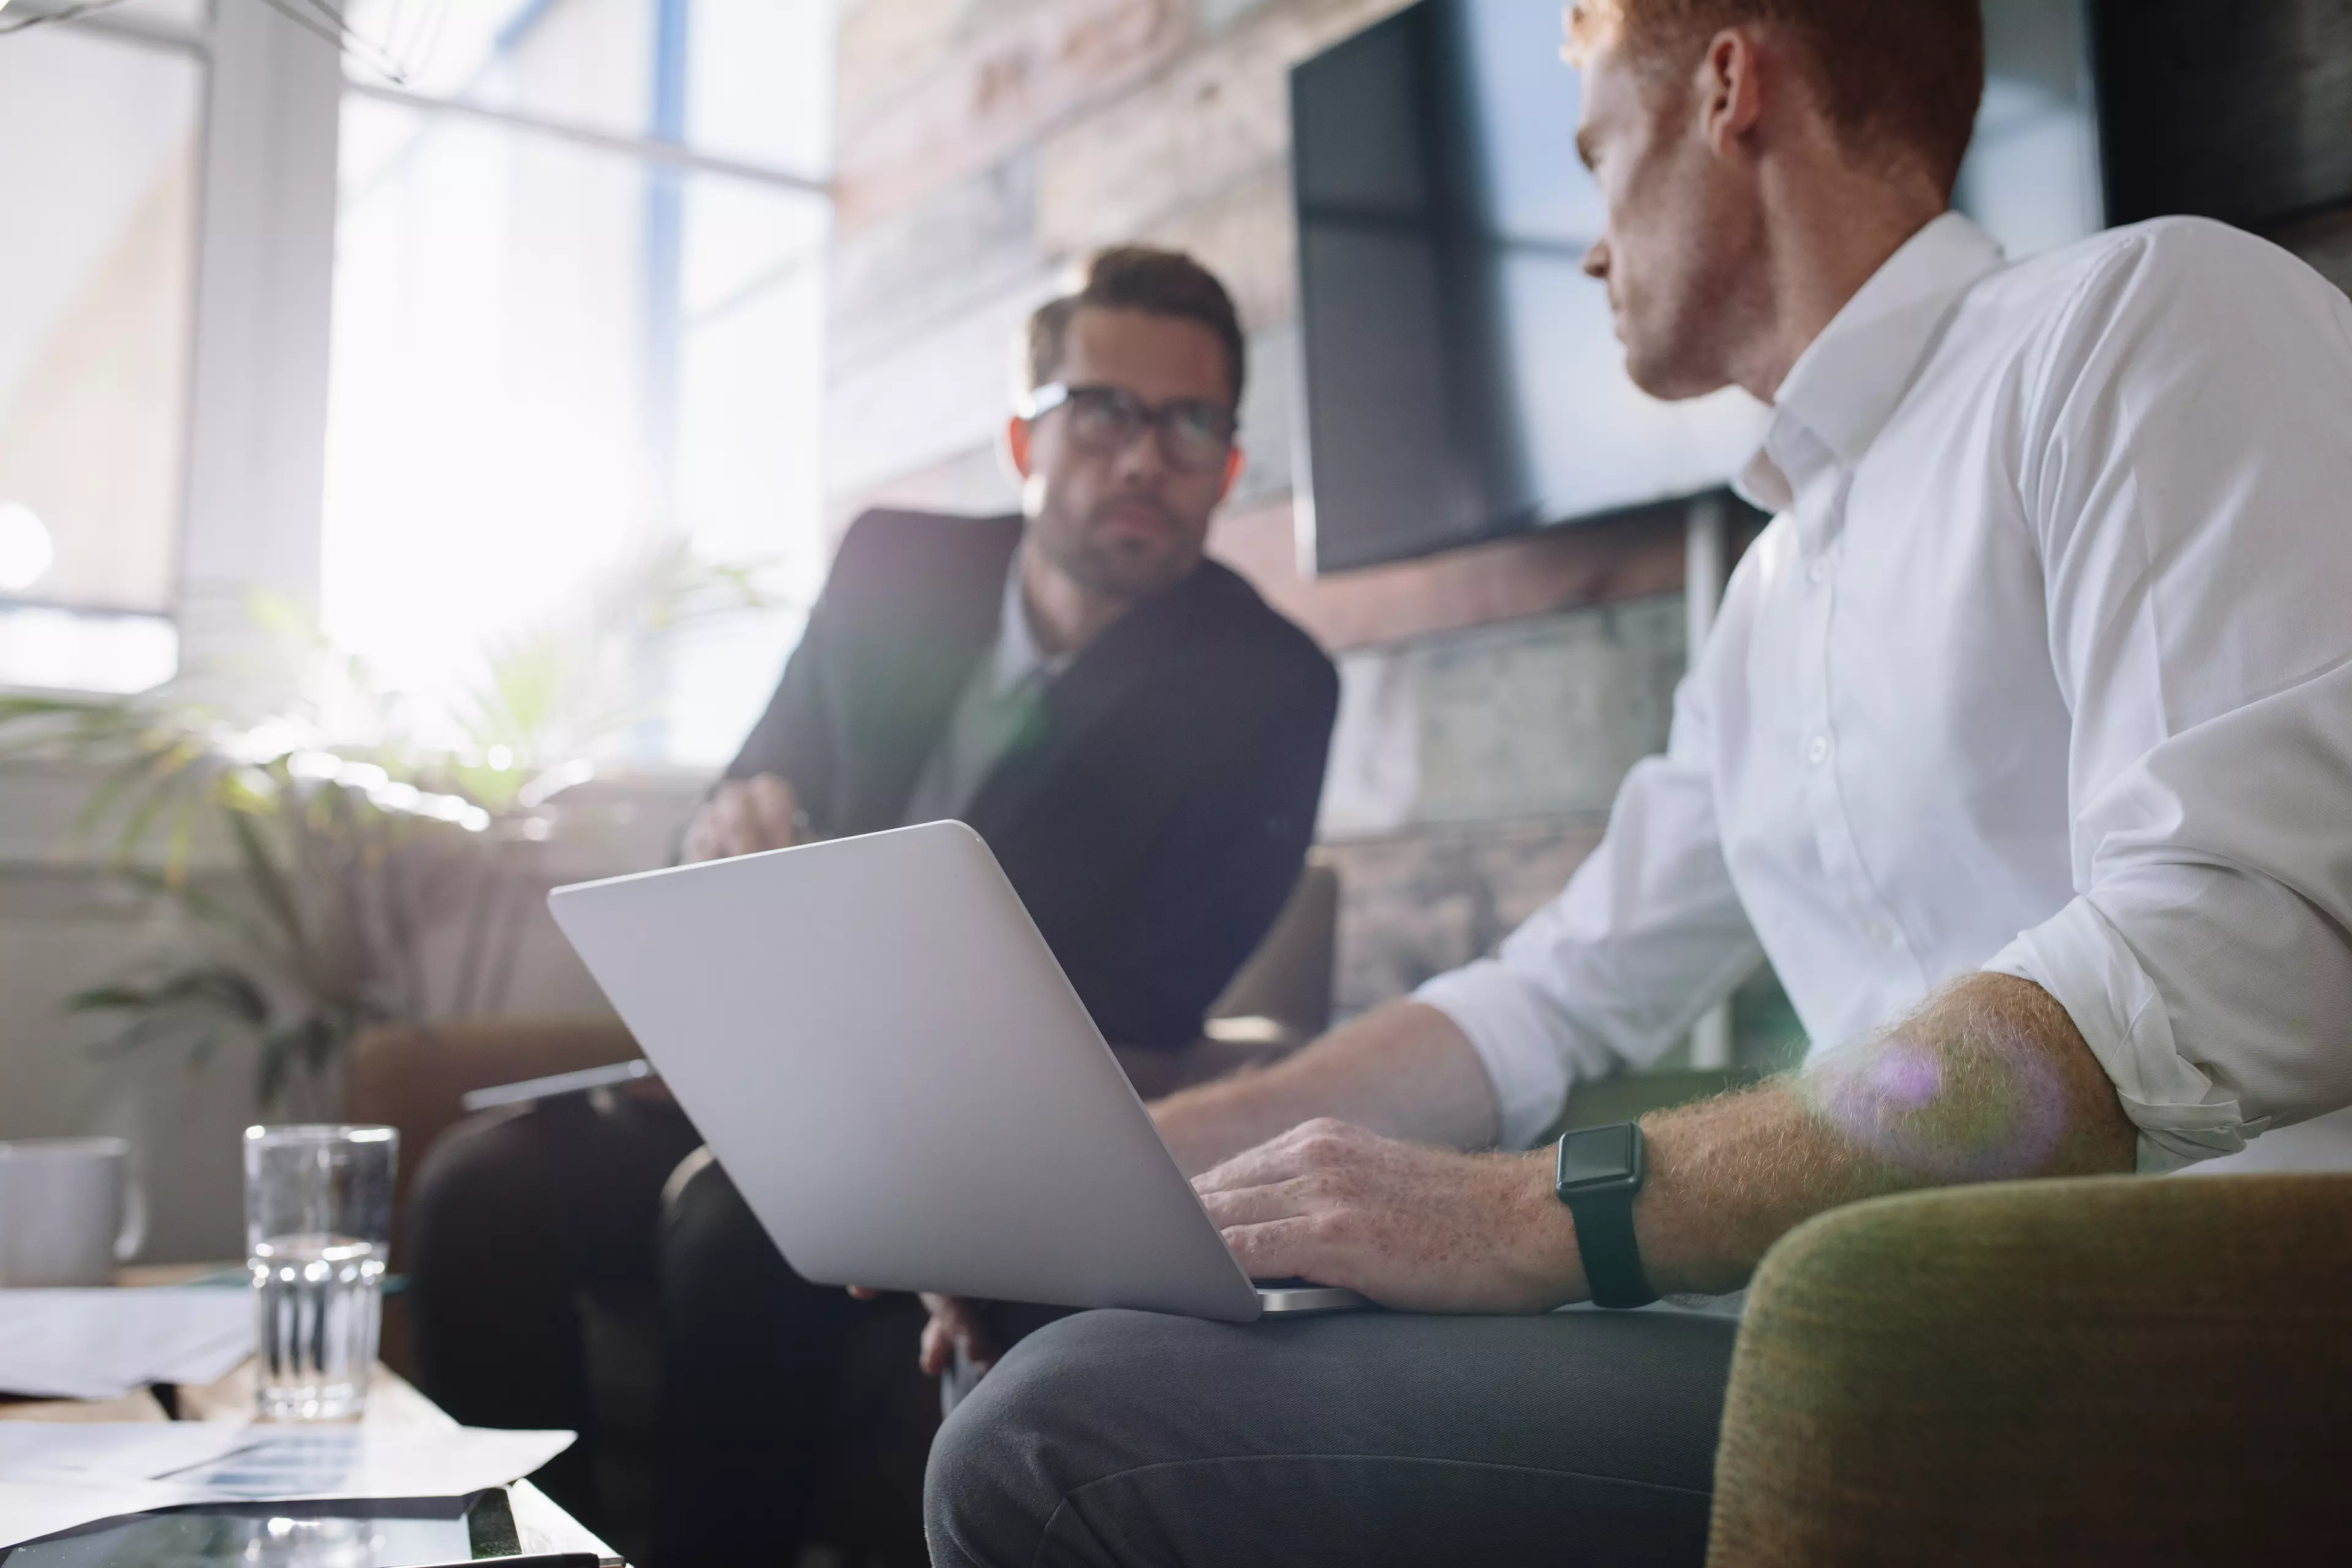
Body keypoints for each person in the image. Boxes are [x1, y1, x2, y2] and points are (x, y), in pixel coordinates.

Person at [921, 2, 2352, 1563]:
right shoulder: (1769, 597)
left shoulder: (2140, 317)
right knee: (1075, 1349)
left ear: (1730, 89)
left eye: (1599, 153)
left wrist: (1551, 1209)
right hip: (1831, 1328)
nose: (1590, 253)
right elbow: (1549, 994)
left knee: (1064, 1430)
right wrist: (1138, 1173)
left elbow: (2233, 943)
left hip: (2135, 1356)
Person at [402, 247, 1340, 1566]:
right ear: (1026, 434)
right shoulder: (896, 562)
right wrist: (724, 832)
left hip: (993, 1133)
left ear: (1229, 465)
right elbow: (744, 789)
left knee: (737, 1226)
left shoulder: (1271, 684)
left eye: (1191, 422)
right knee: (477, 1191)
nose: (1146, 455)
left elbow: (1150, 997)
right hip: (760, 1084)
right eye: (1105, 411)